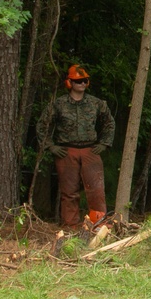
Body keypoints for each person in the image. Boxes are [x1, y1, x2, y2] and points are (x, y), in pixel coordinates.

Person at [38, 64, 115, 228]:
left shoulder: (96, 103)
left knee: (96, 190)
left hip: (90, 150)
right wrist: (50, 146)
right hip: (67, 151)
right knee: (69, 192)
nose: (82, 83)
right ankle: (70, 226)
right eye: (78, 81)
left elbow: (109, 123)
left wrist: (104, 143)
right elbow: (43, 125)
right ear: (70, 83)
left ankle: (99, 225)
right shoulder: (59, 104)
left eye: (85, 80)